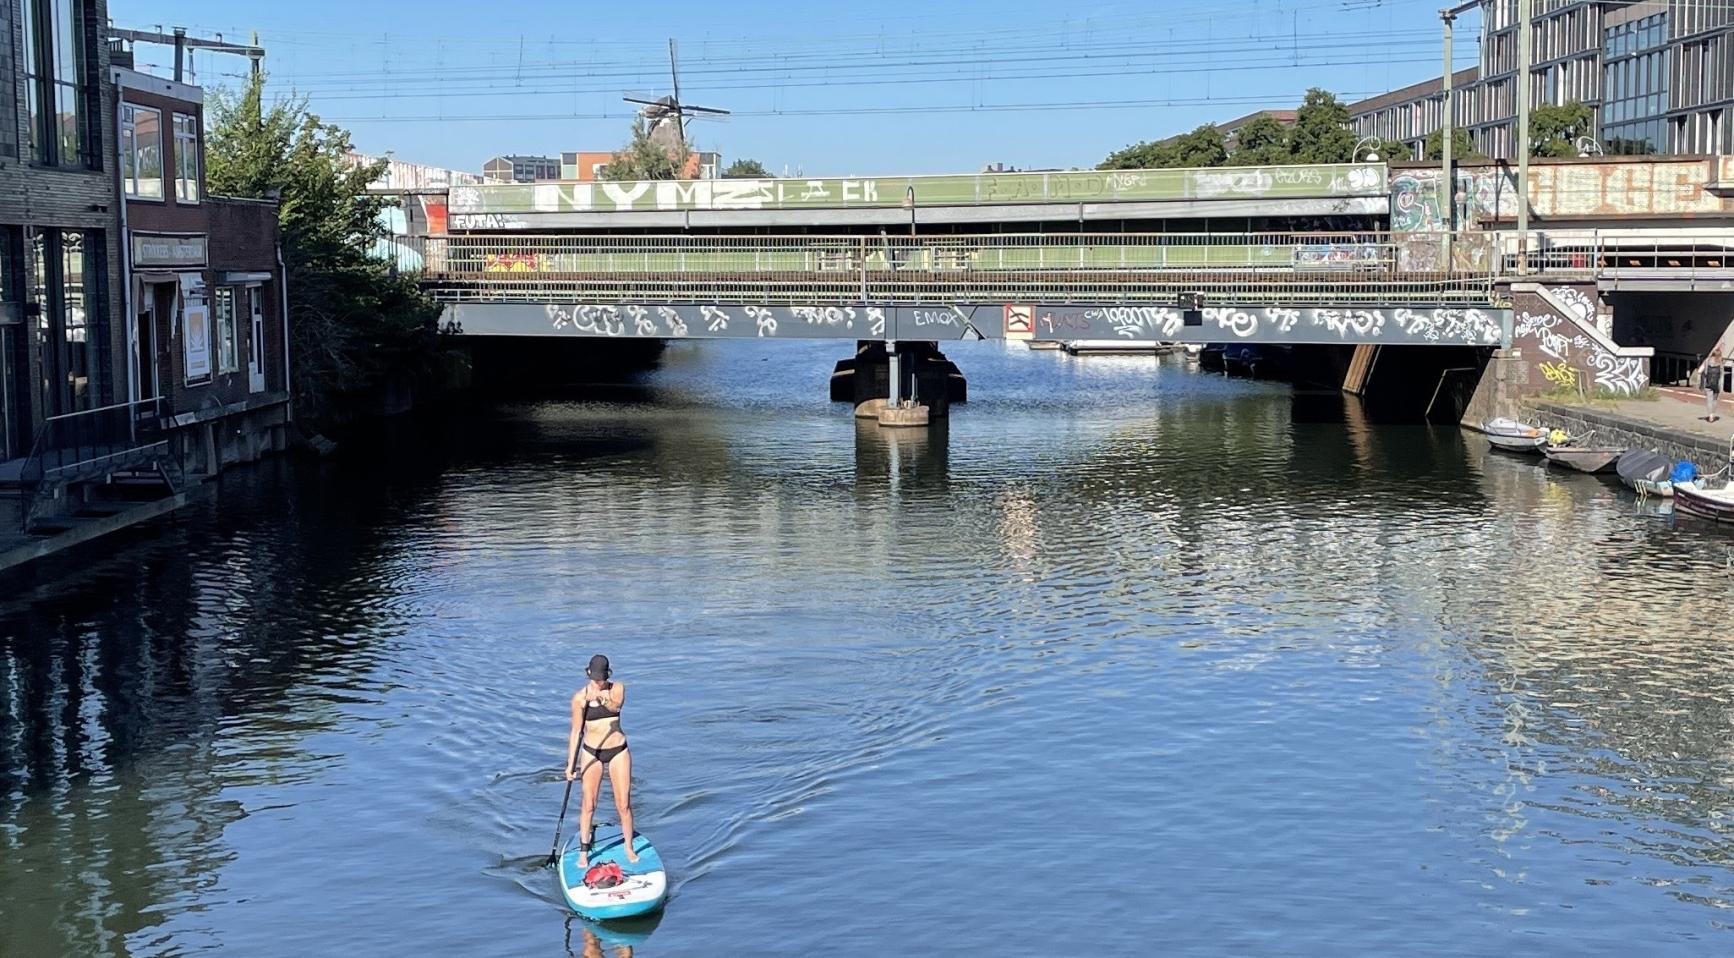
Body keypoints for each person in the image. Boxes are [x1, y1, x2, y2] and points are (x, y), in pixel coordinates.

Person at [565, 654, 636, 866]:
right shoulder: (579, 698)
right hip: (591, 752)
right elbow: (576, 731)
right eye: (595, 678)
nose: (598, 682)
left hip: (618, 751)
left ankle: (629, 848)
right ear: (588, 674)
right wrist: (570, 765)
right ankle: (584, 851)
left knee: (623, 803)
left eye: (602, 678)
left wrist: (600, 697)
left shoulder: (617, 689)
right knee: (589, 804)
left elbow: (615, 707)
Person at [1702, 347, 1724, 422]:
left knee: (1709, 400)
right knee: (1714, 400)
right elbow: (1721, 375)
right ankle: (1713, 414)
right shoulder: (1720, 362)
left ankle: (1710, 416)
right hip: (1716, 385)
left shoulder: (1707, 361)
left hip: (1708, 383)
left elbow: (1701, 371)